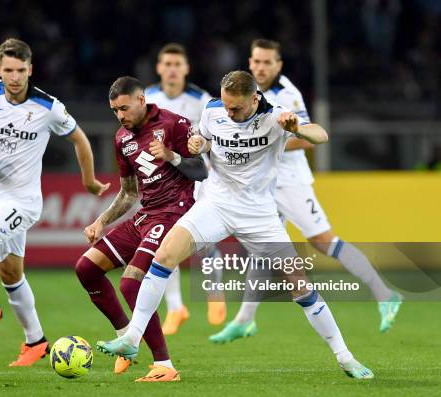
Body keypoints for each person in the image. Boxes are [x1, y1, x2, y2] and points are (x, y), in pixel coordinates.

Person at [98, 71, 374, 380]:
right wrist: (199, 143)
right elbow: (202, 142)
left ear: (254, 99)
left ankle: (345, 357)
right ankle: (132, 338)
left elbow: (321, 136)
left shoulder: (277, 117)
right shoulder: (214, 109)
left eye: (236, 108)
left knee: (301, 286)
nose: (229, 112)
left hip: (259, 214)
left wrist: (298, 128)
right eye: (227, 106)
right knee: (164, 257)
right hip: (215, 204)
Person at [209, 39, 403, 344]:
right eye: (256, 61)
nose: (260, 67)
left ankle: (385, 293)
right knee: (264, 249)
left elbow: (308, 135)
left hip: (289, 181)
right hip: (262, 184)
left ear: (278, 65)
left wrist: (271, 139)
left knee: (324, 241)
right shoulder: (245, 95)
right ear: (250, 63)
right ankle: (244, 320)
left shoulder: (287, 95)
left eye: (267, 62)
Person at [0, 38, 108, 366]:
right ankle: (36, 342)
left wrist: (88, 180)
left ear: (30, 69)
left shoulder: (47, 107)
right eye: (8, 70)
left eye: (21, 70)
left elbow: (80, 139)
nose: (15, 77)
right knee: (10, 273)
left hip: (24, 203)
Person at [76, 76, 207, 382]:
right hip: (145, 215)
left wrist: (172, 155)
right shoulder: (122, 138)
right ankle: (124, 336)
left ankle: (164, 364)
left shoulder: (174, 124)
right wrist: (101, 221)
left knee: (130, 284)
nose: (120, 116)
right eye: (114, 111)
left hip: (175, 214)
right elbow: (129, 193)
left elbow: (201, 170)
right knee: (86, 268)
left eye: (124, 108)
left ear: (141, 100)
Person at [145, 43, 226, 335]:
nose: (172, 69)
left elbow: (218, 136)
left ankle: (215, 294)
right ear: (159, 68)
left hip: (197, 176)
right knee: (167, 242)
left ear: (186, 68)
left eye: (177, 64)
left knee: (203, 240)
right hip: (164, 178)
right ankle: (176, 307)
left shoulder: (202, 101)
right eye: (167, 63)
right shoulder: (149, 98)